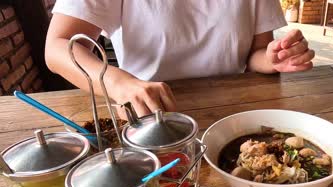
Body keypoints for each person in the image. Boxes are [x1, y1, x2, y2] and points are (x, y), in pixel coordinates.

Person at [46, 1, 315, 117]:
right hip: (149, 114)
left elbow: (255, 54)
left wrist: (274, 58)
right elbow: (58, 47)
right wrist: (120, 85)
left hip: (233, 113)